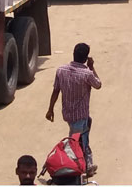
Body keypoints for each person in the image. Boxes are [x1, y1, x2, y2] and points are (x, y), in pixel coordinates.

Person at [46, 42, 102, 175]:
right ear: (86, 58)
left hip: (68, 115)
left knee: (82, 136)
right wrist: (92, 67)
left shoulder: (61, 70)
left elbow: (55, 91)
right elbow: (98, 84)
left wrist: (50, 109)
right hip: (80, 116)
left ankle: (86, 164)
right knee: (78, 143)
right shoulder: (86, 74)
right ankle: (79, 167)